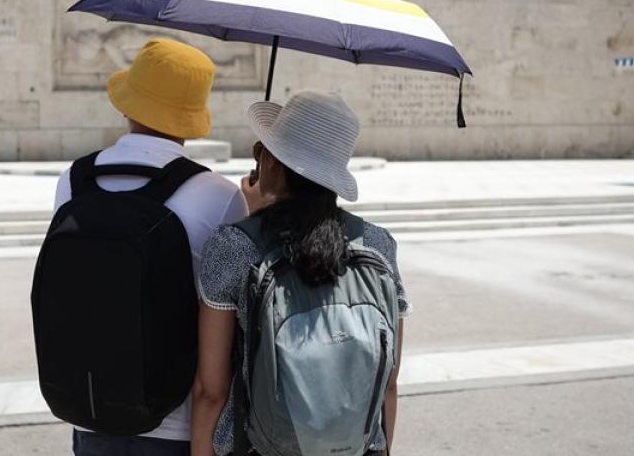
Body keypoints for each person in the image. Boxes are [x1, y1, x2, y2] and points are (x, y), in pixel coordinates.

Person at [50, 38, 249, 456]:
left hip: (89, 410)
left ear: (128, 105)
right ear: (192, 114)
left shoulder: (74, 181)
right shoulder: (219, 196)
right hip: (176, 424)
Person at [192, 90, 410, 456]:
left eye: (262, 150)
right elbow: (388, 382)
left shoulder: (235, 246)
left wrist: (251, 218)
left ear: (272, 163)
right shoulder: (378, 245)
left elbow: (210, 392)